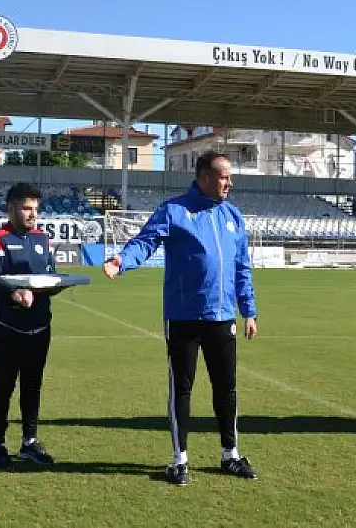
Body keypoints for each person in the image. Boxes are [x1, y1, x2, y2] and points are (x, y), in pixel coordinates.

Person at [103, 151, 259, 486]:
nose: (229, 183)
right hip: (184, 317)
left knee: (227, 388)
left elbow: (241, 268)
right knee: (182, 389)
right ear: (203, 177)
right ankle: (179, 459)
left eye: (230, 177)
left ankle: (229, 454)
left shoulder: (233, 216)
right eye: (223, 176)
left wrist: (249, 310)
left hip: (222, 317)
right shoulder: (174, 211)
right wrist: (122, 260)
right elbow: (145, 242)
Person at [0, 182, 62, 468]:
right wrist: (13, 294)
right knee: (3, 386)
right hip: (8, 327)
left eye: (36, 209)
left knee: (33, 385)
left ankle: (29, 441)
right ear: (11, 207)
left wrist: (55, 286)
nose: (32, 215)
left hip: (40, 326)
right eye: (27, 208)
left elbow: (49, 275)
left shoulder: (42, 239)